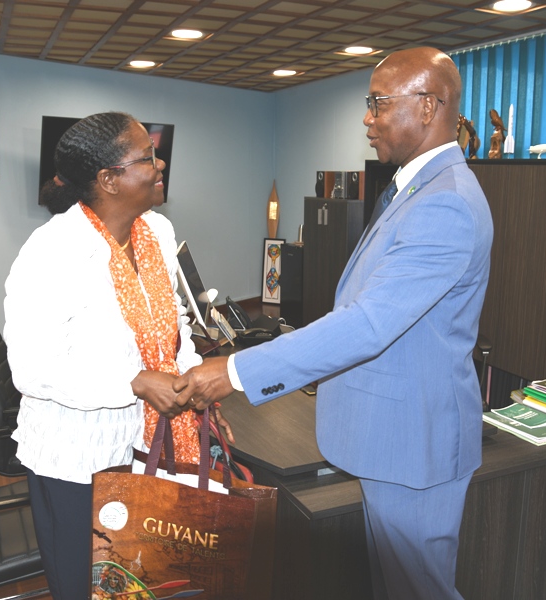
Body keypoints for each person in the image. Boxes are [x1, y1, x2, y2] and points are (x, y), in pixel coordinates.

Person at [174, 47, 493, 599]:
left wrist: (237, 370)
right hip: (392, 436)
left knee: (419, 590)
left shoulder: (446, 203)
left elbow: (368, 324)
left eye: (378, 103)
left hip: (412, 441)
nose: (367, 119)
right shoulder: (415, 188)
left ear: (427, 106)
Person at [3, 112, 219, 599]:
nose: (160, 164)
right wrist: (134, 381)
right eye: (147, 157)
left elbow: (174, 325)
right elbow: (33, 368)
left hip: (148, 443)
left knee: (140, 579)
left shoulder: (157, 230)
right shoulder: (52, 251)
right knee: (84, 584)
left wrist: (193, 382)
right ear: (108, 180)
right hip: (79, 459)